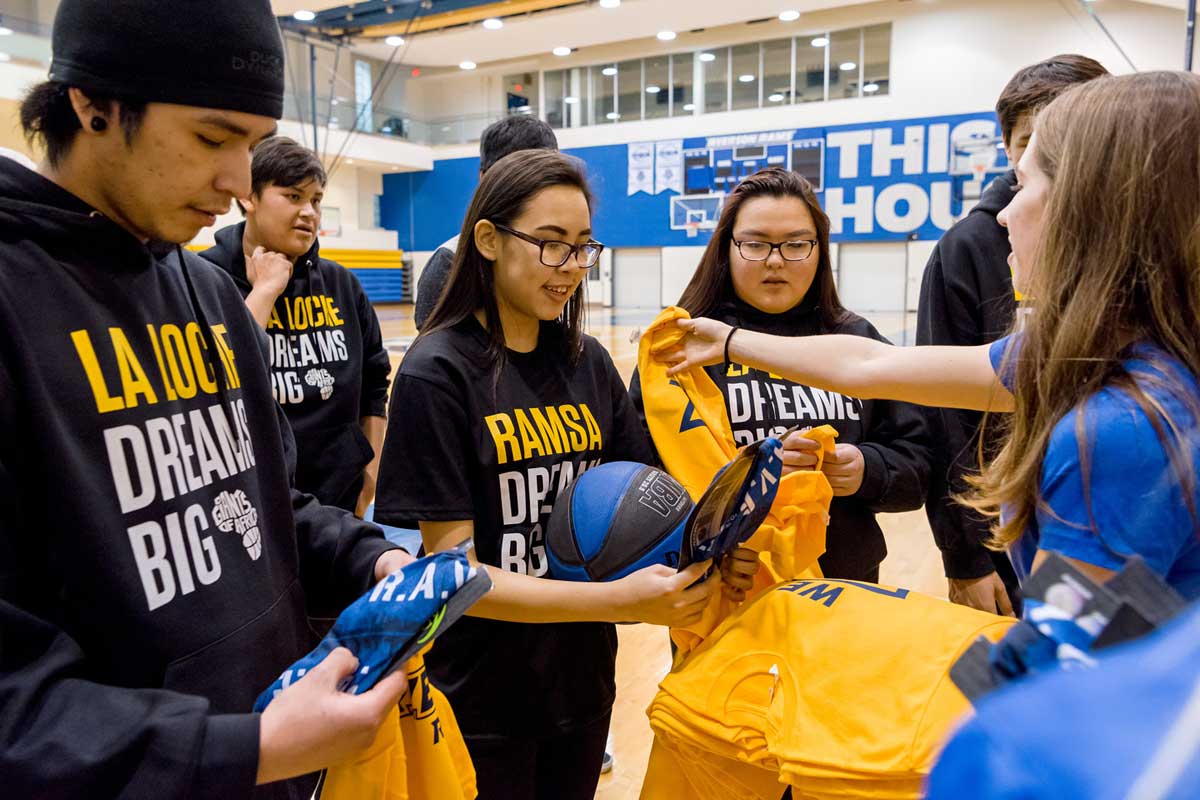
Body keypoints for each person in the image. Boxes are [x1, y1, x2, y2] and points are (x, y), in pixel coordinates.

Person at [0, 2, 414, 797]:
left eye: (254, 145)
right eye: (212, 137)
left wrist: (370, 557)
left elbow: (259, 503)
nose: (238, 182)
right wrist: (240, 748)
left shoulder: (210, 297)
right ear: (91, 104)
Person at [657, 71, 1200, 599]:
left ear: (1091, 211)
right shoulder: (1082, 357)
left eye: (1028, 184)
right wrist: (730, 341)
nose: (1005, 213)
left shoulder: (1117, 433)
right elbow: (868, 367)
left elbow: (1072, 666)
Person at [374, 149, 721, 800]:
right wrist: (618, 602)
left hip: (582, 685)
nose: (571, 268)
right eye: (551, 245)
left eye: (584, 248)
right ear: (487, 239)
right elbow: (455, 576)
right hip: (480, 696)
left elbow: (652, 490)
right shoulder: (437, 372)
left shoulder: (587, 361)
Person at [632, 167, 931, 582]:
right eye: (755, 244)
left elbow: (920, 460)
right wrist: (741, 486)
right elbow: (645, 483)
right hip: (723, 593)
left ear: (819, 250)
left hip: (846, 587)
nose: (775, 260)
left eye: (795, 244)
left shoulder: (857, 340)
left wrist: (867, 467)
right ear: (727, 248)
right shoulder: (684, 346)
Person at [917, 54, 1107, 615]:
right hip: (1016, 544)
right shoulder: (968, 249)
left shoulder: (1122, 425)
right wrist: (965, 557)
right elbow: (935, 410)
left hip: (1096, 548)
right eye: (1029, 143)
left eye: (1067, 138)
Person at [201, 136, 391, 516]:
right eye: (293, 196)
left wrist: (368, 475)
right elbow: (222, 378)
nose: (309, 212)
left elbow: (374, 384)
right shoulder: (209, 279)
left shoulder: (342, 285)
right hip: (251, 499)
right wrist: (266, 291)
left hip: (341, 498)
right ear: (248, 199)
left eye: (316, 200)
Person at [413, 115, 558, 330]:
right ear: (484, 178)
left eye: (547, 174)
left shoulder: (565, 258)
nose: (536, 186)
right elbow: (432, 355)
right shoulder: (450, 263)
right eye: (521, 174)